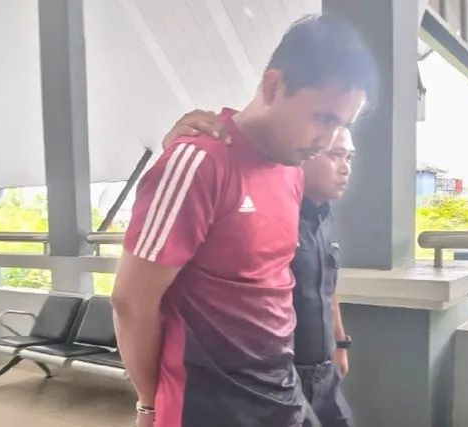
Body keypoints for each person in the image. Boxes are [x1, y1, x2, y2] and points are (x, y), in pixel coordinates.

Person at [112, 14, 374, 427]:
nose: (328, 140)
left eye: (341, 125)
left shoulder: (292, 172)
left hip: (281, 392)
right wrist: (149, 404)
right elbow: (131, 303)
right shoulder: (198, 162)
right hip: (209, 406)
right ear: (273, 87)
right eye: (323, 118)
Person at [163, 112, 357, 427]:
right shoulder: (269, 211)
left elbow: (328, 288)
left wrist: (341, 344)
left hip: (325, 374)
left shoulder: (326, 218)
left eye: (349, 157)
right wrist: (180, 144)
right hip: (277, 376)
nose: (346, 167)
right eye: (335, 155)